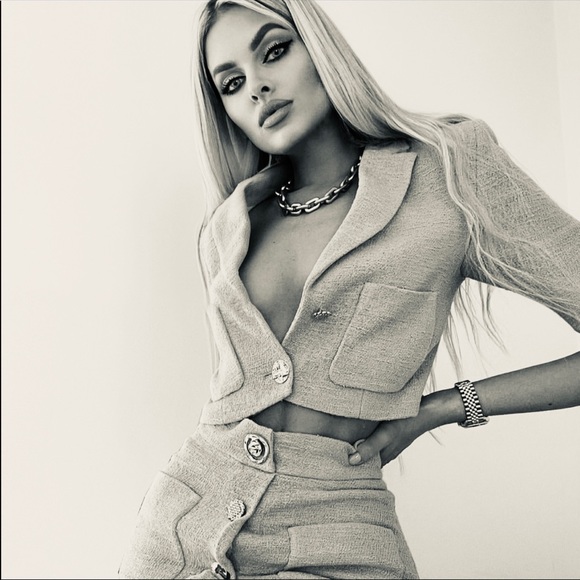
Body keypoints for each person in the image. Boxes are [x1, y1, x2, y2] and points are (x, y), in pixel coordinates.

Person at [119, 0, 580, 578]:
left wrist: (442, 408)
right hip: (182, 526)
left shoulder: (450, 170)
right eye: (232, 84)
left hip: (340, 534)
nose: (258, 87)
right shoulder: (228, 225)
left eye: (275, 51)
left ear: (320, 49)